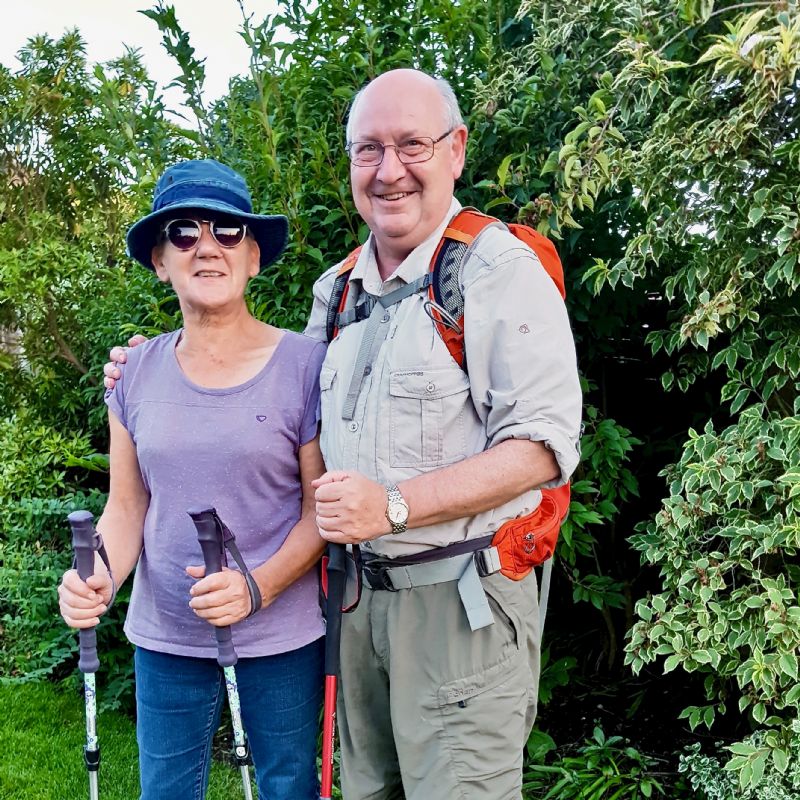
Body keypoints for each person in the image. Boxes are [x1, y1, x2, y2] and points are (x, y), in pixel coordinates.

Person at [105, 69, 582, 800]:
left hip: (461, 609)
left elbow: (544, 447)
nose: (390, 170)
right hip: (357, 611)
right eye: (369, 150)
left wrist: (392, 506)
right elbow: (250, 403)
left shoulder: (498, 271)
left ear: (455, 150)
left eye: (412, 145)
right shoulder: (337, 293)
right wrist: (145, 369)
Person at [60, 159, 327, 800]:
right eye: (183, 232)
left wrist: (254, 590)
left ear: (254, 257)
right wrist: (100, 577)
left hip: (279, 636)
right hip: (165, 637)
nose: (206, 246)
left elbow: (324, 512)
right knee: (167, 791)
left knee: (286, 787)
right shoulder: (134, 375)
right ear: (160, 261)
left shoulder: (305, 365)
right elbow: (126, 506)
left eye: (228, 231)